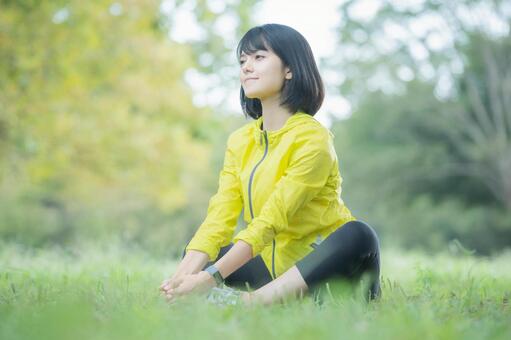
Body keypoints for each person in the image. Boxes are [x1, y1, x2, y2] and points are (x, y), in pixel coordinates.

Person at [160, 23, 381, 306]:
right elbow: (219, 216)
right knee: (200, 256)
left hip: (329, 272)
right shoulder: (240, 142)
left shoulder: (313, 137)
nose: (247, 67)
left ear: (289, 69)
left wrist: (211, 278)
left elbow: (272, 220)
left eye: (259, 57)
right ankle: (255, 299)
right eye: (243, 61)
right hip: (276, 273)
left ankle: (250, 304)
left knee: (360, 234)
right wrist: (179, 280)